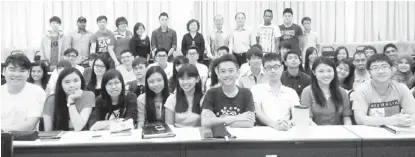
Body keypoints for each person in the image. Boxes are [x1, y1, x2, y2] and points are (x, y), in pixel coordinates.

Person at [352, 53, 415, 127]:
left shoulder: (401, 88)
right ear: (369, 72)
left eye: (384, 67)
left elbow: (413, 113)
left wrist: (406, 121)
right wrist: (391, 121)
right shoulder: (362, 90)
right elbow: (360, 119)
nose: (381, 71)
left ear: (391, 69)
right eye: (375, 68)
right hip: (370, 134)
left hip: (396, 133)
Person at [201, 54, 255, 128]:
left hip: (242, 137)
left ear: (238, 73)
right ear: (218, 74)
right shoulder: (211, 93)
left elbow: (249, 123)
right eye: (223, 71)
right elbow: (205, 122)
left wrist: (216, 121)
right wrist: (236, 118)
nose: (227, 75)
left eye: (231, 71)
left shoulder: (246, 93)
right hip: (218, 138)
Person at [251, 53, 299, 130]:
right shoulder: (256, 89)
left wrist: (288, 124)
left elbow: (297, 115)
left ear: (282, 68)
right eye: (269, 67)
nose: (273, 71)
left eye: (276, 67)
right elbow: (258, 113)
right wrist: (274, 125)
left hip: (286, 131)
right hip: (264, 132)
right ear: (264, 70)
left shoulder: (291, 92)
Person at [1, 54, 46, 131]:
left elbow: (30, 125)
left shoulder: (37, 92)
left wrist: (2, 131)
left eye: (22, 71)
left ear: (28, 73)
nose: (16, 74)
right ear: (3, 71)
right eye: (12, 69)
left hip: (25, 141)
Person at [301, 57, 352, 125]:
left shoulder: (342, 92)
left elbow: (346, 117)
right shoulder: (307, 92)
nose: (326, 75)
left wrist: (347, 129)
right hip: (315, 131)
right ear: (314, 72)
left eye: (329, 71)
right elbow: (307, 118)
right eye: (321, 71)